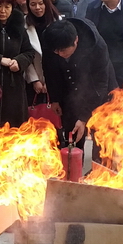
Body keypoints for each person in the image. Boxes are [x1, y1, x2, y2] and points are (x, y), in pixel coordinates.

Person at [40, 18, 117, 147]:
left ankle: (100, 159)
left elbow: (100, 85)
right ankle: (74, 158)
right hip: (69, 91)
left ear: (76, 40)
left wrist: (84, 117)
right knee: (72, 136)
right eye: (56, 51)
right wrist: (55, 99)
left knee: (102, 138)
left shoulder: (97, 46)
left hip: (99, 92)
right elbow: (50, 71)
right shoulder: (51, 41)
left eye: (63, 50)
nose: (59, 54)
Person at [24, 0, 60, 98]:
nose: (37, 7)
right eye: (33, 4)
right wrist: (34, 80)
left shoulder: (57, 22)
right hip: (34, 80)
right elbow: (24, 53)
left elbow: (61, 55)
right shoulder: (23, 24)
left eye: (41, 3)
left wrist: (51, 81)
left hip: (56, 78)